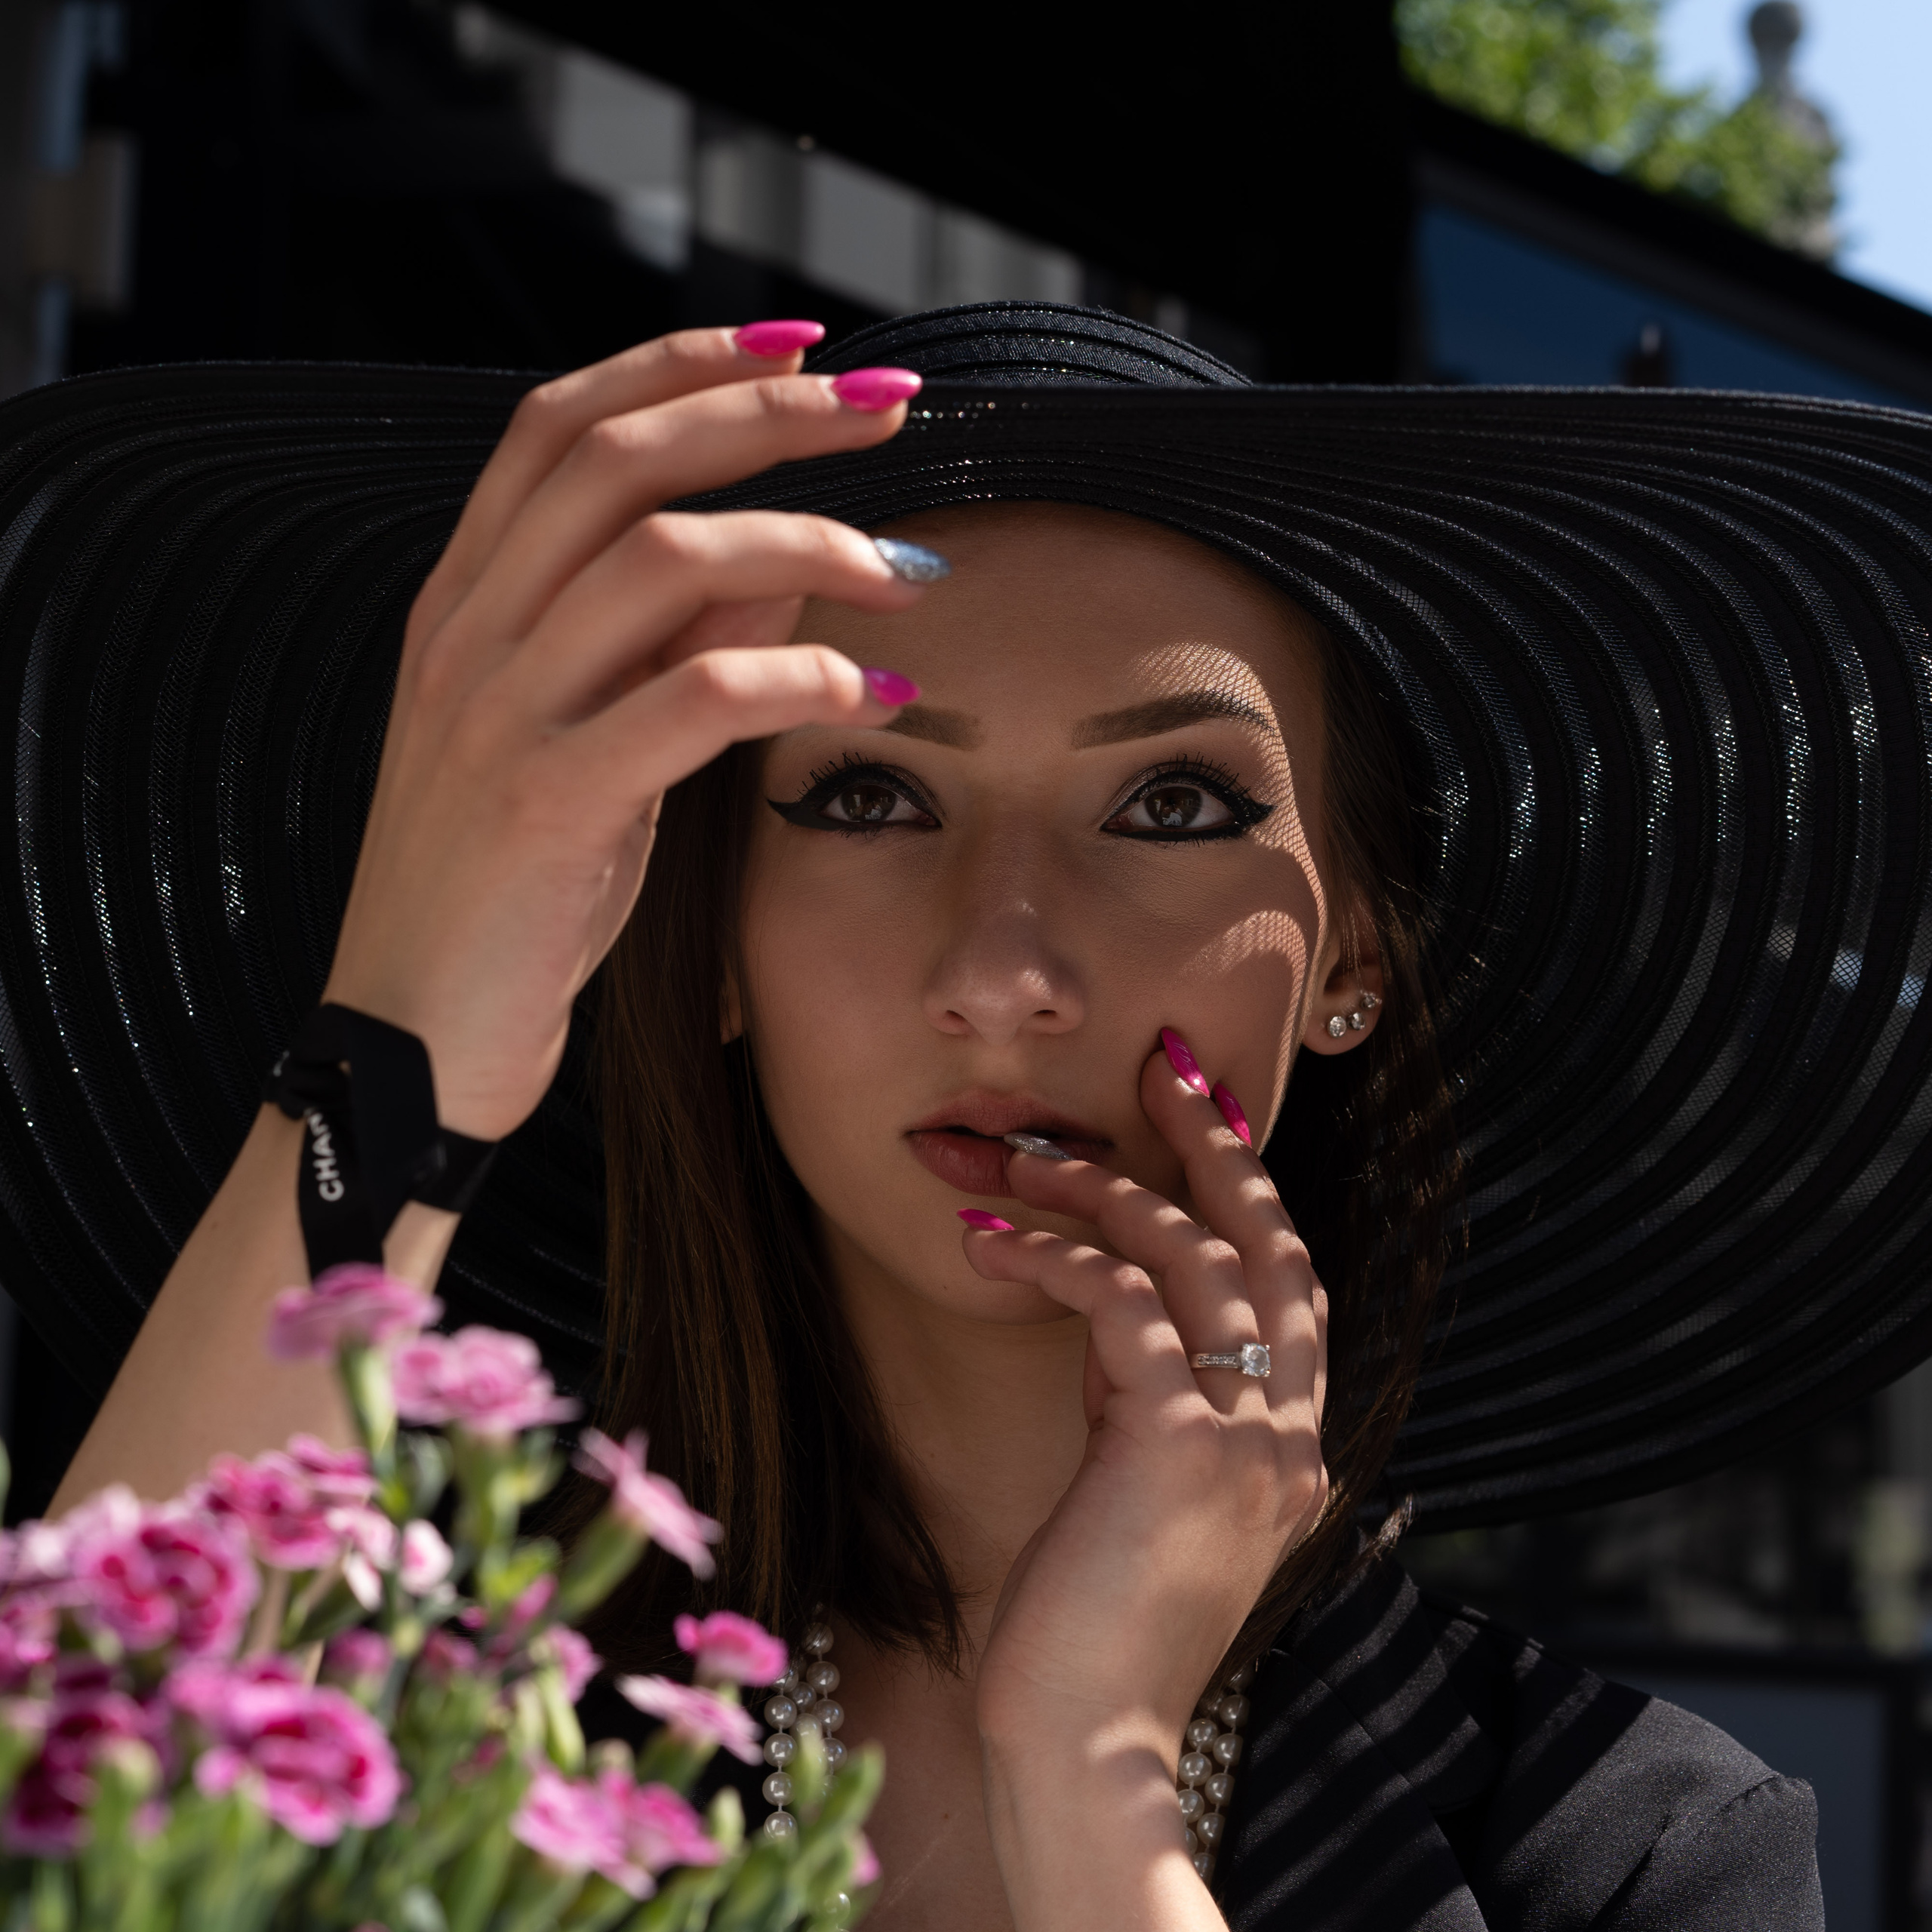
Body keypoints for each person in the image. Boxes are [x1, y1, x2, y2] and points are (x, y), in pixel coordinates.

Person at [8, 300, 1924, 1929]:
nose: (1004, 966)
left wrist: (1094, 1782)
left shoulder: (1633, 1849)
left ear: (1350, 955)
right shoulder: (421, 1690)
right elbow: (59, 1809)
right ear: (715, 945)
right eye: (863, 797)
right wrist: (411, 1000)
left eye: (1171, 804)